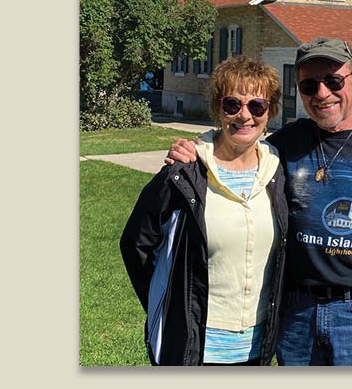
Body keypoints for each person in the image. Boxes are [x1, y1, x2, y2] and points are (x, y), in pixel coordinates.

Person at [166, 37, 352, 366]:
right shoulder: (283, 145)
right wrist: (193, 151)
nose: (322, 93)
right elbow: (235, 145)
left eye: (333, 81)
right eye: (309, 85)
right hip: (295, 313)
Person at [120, 56, 288, 366]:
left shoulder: (277, 172)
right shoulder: (184, 173)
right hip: (196, 348)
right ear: (217, 107)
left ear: (270, 112)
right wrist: (167, 302)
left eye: (257, 106)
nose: (244, 116)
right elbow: (136, 244)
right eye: (232, 104)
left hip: (257, 349)